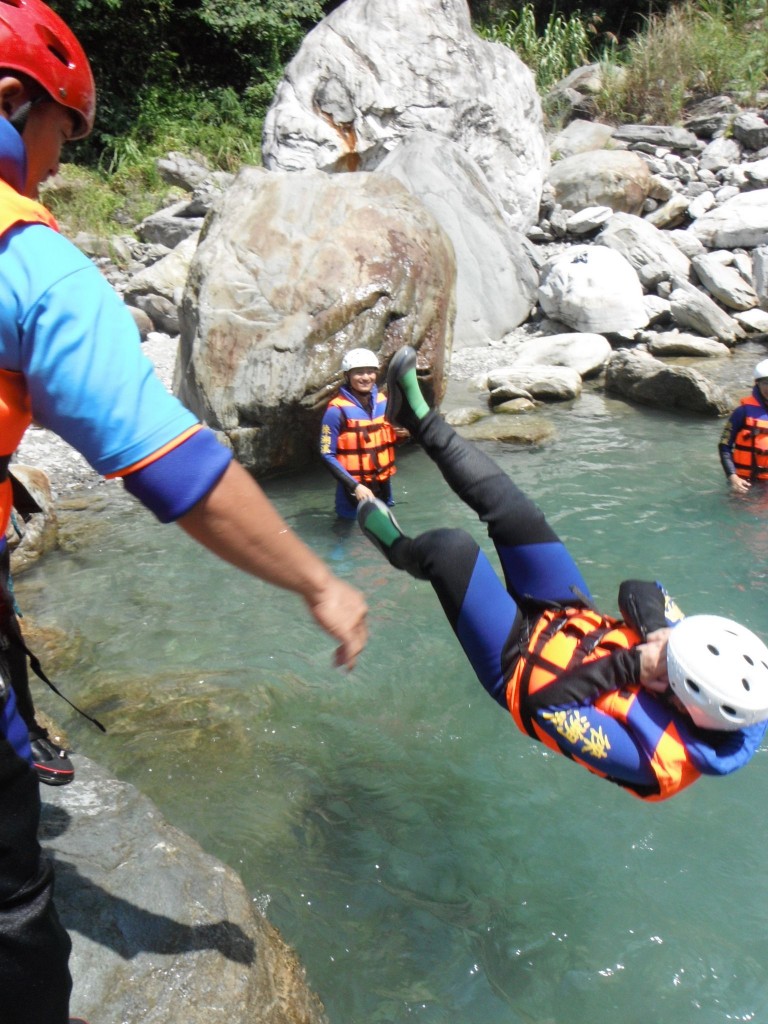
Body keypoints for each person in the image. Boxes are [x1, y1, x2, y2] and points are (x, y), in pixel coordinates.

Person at [0, 2, 368, 1021]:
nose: (54, 167)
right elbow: (175, 469)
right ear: (10, 102)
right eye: (57, 137)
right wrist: (318, 583)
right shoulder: (26, 263)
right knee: (13, 904)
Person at [358, 346, 768, 802]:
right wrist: (656, 633)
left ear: (681, 699)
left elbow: (544, 704)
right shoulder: (700, 661)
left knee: (450, 549)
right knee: (513, 510)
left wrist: (636, 663)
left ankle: (396, 548)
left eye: (670, 664)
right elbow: (639, 589)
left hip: (516, 664)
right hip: (570, 614)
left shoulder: (650, 762)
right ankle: (418, 419)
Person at [319, 347, 403, 519]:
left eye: (370, 372)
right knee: (348, 536)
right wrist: (355, 486)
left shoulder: (383, 402)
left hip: (383, 486)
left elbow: (386, 440)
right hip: (352, 491)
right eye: (359, 373)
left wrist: (402, 435)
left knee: (386, 535)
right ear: (347, 376)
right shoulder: (336, 411)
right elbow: (326, 453)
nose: (366, 377)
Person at [719, 359, 768, 494]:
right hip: (744, 482)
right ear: (757, 384)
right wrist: (733, 477)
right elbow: (724, 446)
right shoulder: (742, 412)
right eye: (766, 383)